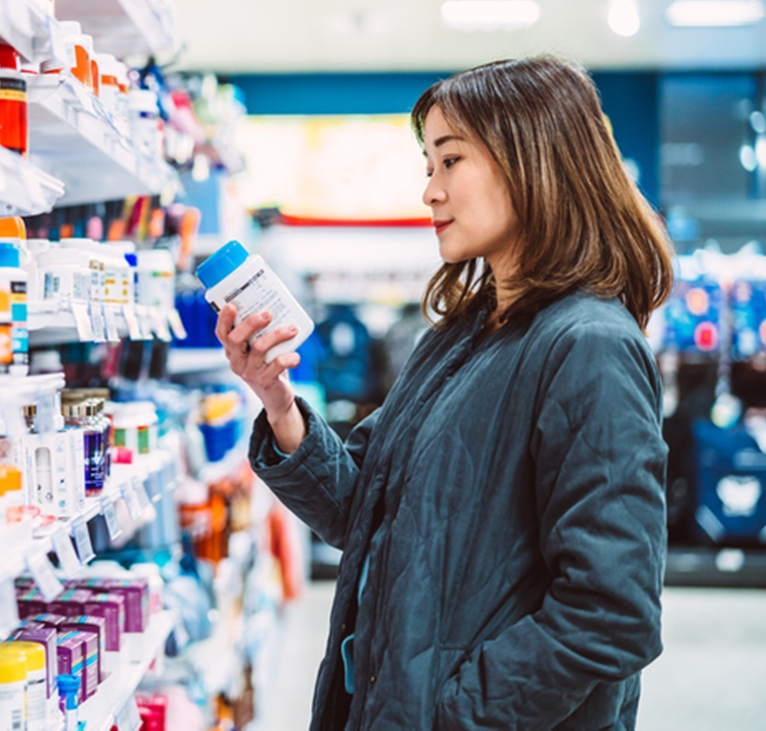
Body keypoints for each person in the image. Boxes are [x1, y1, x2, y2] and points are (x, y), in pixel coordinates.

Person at [216, 56, 673, 729]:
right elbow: (361, 509)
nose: (430, 191)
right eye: (427, 166)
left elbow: (611, 611)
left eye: (450, 160)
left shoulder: (588, 347)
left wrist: (451, 713)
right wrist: (277, 402)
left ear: (531, 160)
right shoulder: (461, 334)